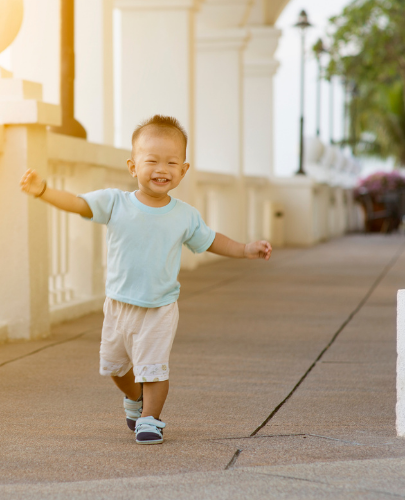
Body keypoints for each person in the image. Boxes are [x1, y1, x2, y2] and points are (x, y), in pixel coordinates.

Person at [20, 115, 272, 445]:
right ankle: (134, 399)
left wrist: (245, 249)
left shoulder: (184, 215)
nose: (161, 169)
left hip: (160, 306)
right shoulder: (116, 203)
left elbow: (211, 240)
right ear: (132, 166)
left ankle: (151, 418)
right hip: (119, 304)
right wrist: (43, 191)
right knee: (115, 367)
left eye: (171, 162)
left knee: (153, 367)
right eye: (151, 161)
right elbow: (79, 204)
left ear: (184, 170)